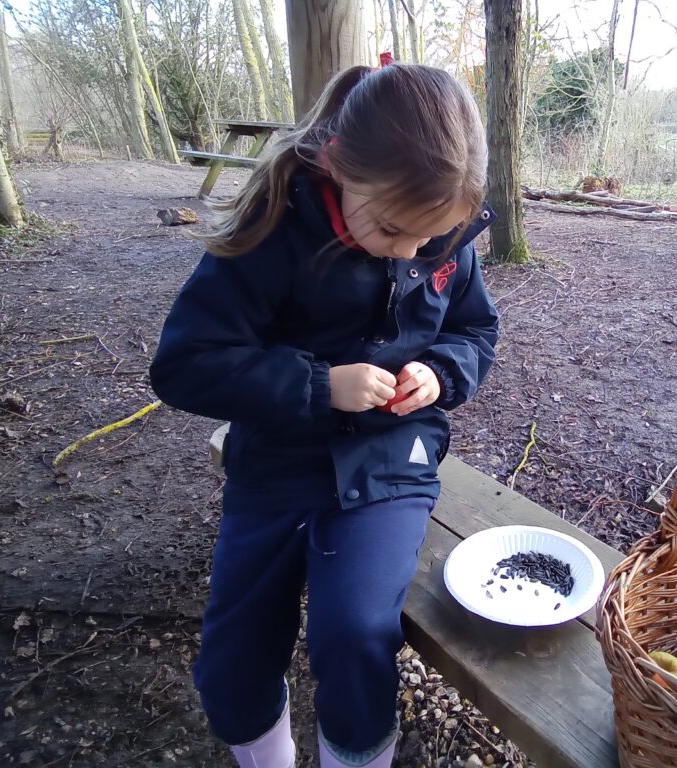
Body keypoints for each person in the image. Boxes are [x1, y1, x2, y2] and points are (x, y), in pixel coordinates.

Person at [149, 60, 499, 768]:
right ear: (339, 166)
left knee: (356, 630)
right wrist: (318, 385)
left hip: (389, 461)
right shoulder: (274, 226)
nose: (410, 252)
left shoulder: (441, 240)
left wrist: (439, 371)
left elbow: (474, 332)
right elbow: (185, 364)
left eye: (428, 241)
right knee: (234, 660)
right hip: (278, 458)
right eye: (393, 229)